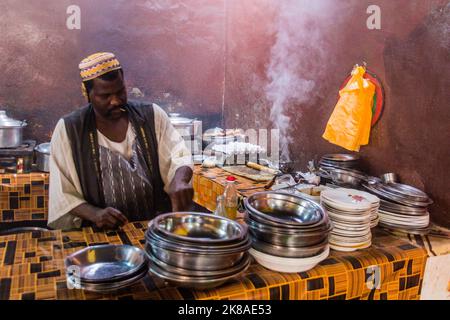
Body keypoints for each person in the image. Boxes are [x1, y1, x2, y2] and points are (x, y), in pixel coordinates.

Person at [48, 52, 193, 230]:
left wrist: (180, 180)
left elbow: (178, 154)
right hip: (99, 235)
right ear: (87, 94)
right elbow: (62, 192)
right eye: (105, 96)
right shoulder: (69, 130)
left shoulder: (152, 116)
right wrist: (95, 214)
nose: (116, 101)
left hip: (152, 229)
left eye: (120, 91)